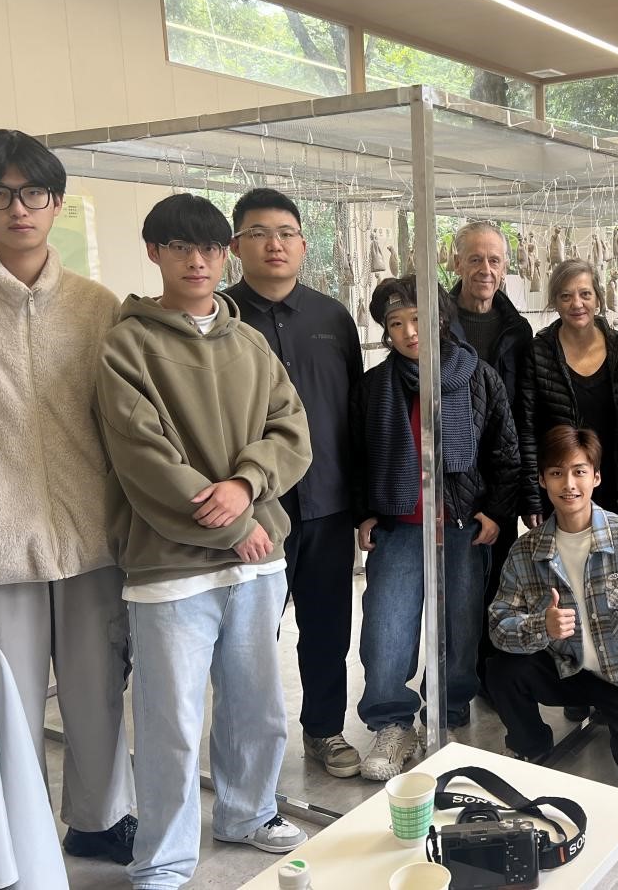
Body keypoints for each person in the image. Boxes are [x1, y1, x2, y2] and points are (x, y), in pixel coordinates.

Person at [0, 129, 137, 864]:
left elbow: (124, 421)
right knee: (3, 705)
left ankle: (101, 820)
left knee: (97, 690)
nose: (19, 208)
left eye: (34, 192)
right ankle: (18, 839)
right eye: (0, 193)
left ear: (57, 201)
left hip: (89, 538)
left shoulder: (96, 305)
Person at [97, 193, 312, 887]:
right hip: (170, 567)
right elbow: (144, 459)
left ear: (227, 254)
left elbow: (291, 432)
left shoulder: (249, 343)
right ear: (153, 252)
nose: (198, 261)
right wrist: (240, 525)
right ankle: (162, 858)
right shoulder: (126, 345)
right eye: (180, 247)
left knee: (258, 705)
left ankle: (248, 813)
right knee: (170, 720)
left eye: (211, 248)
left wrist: (247, 484)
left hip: (256, 564)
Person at [353, 276, 519, 780]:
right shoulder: (375, 387)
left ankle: (448, 710)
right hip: (400, 526)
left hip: (462, 525)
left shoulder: (478, 377)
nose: (409, 332)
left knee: (460, 627)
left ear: (441, 319)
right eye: (396, 323)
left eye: (418, 319)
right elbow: (356, 455)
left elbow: (504, 451)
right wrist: (364, 512)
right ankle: (391, 723)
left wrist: (496, 511)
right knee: (387, 628)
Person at [225, 188, 365, 779]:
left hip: (328, 502)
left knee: (327, 628)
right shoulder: (220, 317)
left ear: (304, 244)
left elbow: (356, 410)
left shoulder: (332, 318)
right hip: (255, 510)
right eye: (258, 233)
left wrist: (363, 502)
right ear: (236, 246)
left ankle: (324, 730)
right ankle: (247, 749)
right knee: (249, 637)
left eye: (285, 233)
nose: (274, 245)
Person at [487, 426, 618, 784]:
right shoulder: (526, 551)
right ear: (542, 480)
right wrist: (542, 626)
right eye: (557, 473)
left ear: (596, 477)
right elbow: (499, 625)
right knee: (502, 669)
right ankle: (531, 744)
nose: (569, 484)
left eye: (579, 471)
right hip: (569, 670)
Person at [448, 221, 532, 693]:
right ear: (456, 262)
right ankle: (454, 681)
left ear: (504, 268)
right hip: (449, 480)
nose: (485, 269)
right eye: (475, 259)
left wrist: (512, 496)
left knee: (500, 580)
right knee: (454, 590)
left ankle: (494, 677)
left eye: (494, 260)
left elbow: (523, 414)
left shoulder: (518, 331)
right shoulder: (435, 325)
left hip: (500, 476)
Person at [518, 259, 618, 525]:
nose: (577, 304)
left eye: (585, 294)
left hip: (611, 484)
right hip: (561, 487)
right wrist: (531, 496)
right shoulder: (539, 352)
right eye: (566, 296)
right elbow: (526, 428)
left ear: (598, 299)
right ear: (555, 302)